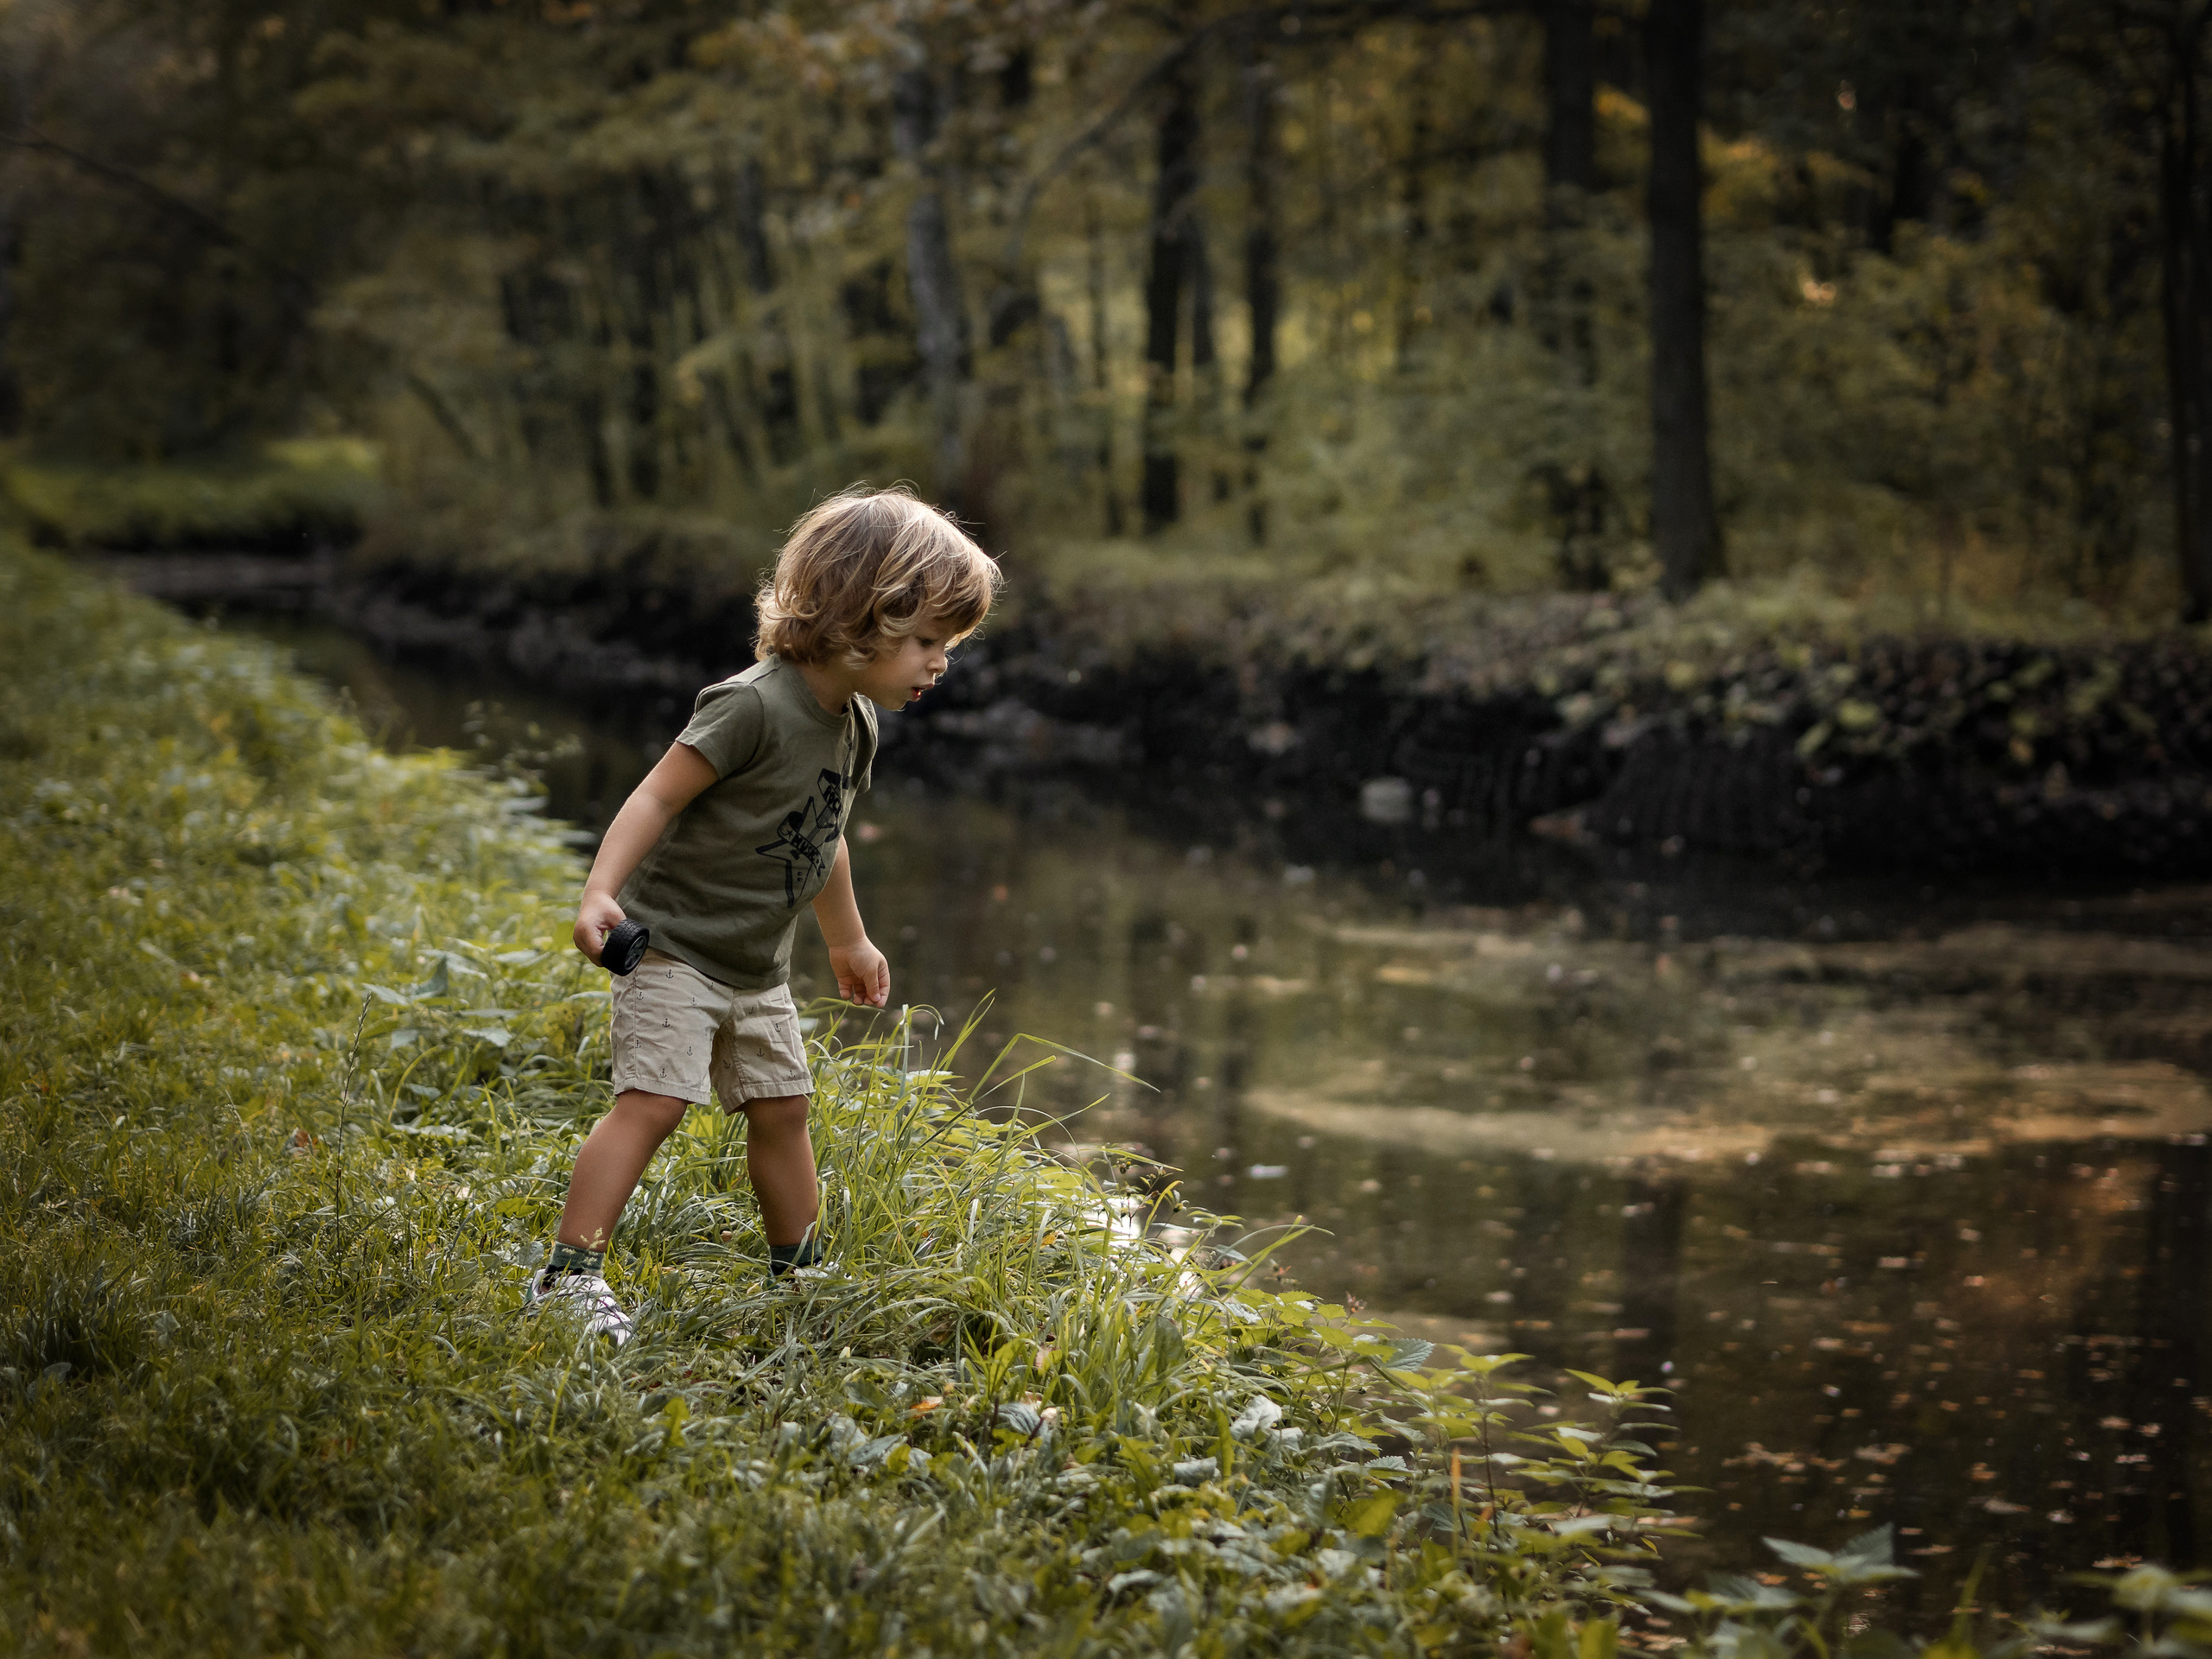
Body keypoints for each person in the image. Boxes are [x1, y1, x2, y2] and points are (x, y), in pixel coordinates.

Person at [529, 486, 1001, 1342]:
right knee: (655, 1102)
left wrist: (846, 938)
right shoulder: (751, 705)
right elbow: (654, 798)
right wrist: (600, 890)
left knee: (784, 1108)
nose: (940, 664)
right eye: (928, 641)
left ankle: (799, 1279)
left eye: (948, 646)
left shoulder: (856, 725)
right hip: (672, 948)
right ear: (865, 617)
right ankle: (567, 1276)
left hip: (755, 967)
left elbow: (825, 836)